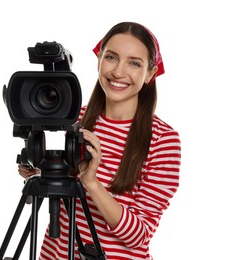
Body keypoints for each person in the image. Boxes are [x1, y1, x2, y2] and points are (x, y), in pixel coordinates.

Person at [18, 21, 181, 260]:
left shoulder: (163, 140)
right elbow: (54, 189)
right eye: (111, 57)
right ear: (99, 59)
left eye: (134, 63)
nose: (118, 72)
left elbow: (139, 236)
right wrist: (37, 168)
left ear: (150, 73)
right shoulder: (73, 118)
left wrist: (92, 183)